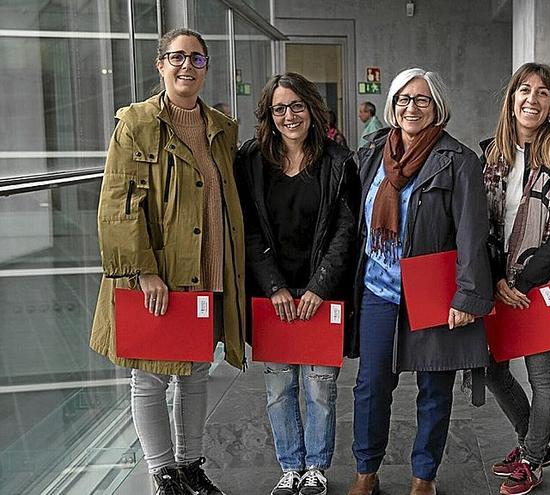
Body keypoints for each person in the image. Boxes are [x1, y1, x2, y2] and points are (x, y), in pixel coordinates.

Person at [89, 28, 244, 495]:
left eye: (197, 59)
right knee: (151, 375)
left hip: (208, 270)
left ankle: (190, 466)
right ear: (160, 65)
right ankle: (163, 473)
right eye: (176, 57)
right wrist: (143, 271)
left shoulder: (222, 128)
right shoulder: (135, 123)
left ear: (206, 69)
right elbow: (118, 203)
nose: (186, 67)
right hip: (158, 275)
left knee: (197, 371)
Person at [346, 68, 494, 495]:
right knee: (371, 386)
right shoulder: (373, 153)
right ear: (392, 106)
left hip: (432, 291)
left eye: (422, 100)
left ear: (437, 107)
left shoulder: (459, 160)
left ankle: (422, 477)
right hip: (379, 288)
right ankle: (365, 472)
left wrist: (468, 294)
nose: (412, 108)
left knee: (434, 388)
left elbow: (471, 231)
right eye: (404, 99)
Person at [235, 73, 360, 495]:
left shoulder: (340, 162)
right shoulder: (251, 161)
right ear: (269, 115)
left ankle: (316, 469)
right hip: (273, 296)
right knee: (278, 386)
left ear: (312, 108)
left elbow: (347, 231)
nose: (289, 116)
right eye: (279, 108)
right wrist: (273, 286)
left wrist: (318, 288)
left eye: (297, 106)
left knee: (320, 388)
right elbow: (247, 229)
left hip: (321, 295)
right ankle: (290, 466)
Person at [480, 62, 550, 495]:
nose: (532, 99)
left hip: (542, 285)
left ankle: (532, 458)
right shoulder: (485, 154)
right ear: (512, 99)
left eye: (543, 93)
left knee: (543, 377)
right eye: (525, 89)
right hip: (491, 282)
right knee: (490, 368)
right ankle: (533, 443)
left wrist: (522, 282)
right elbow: (472, 225)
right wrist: (494, 279)